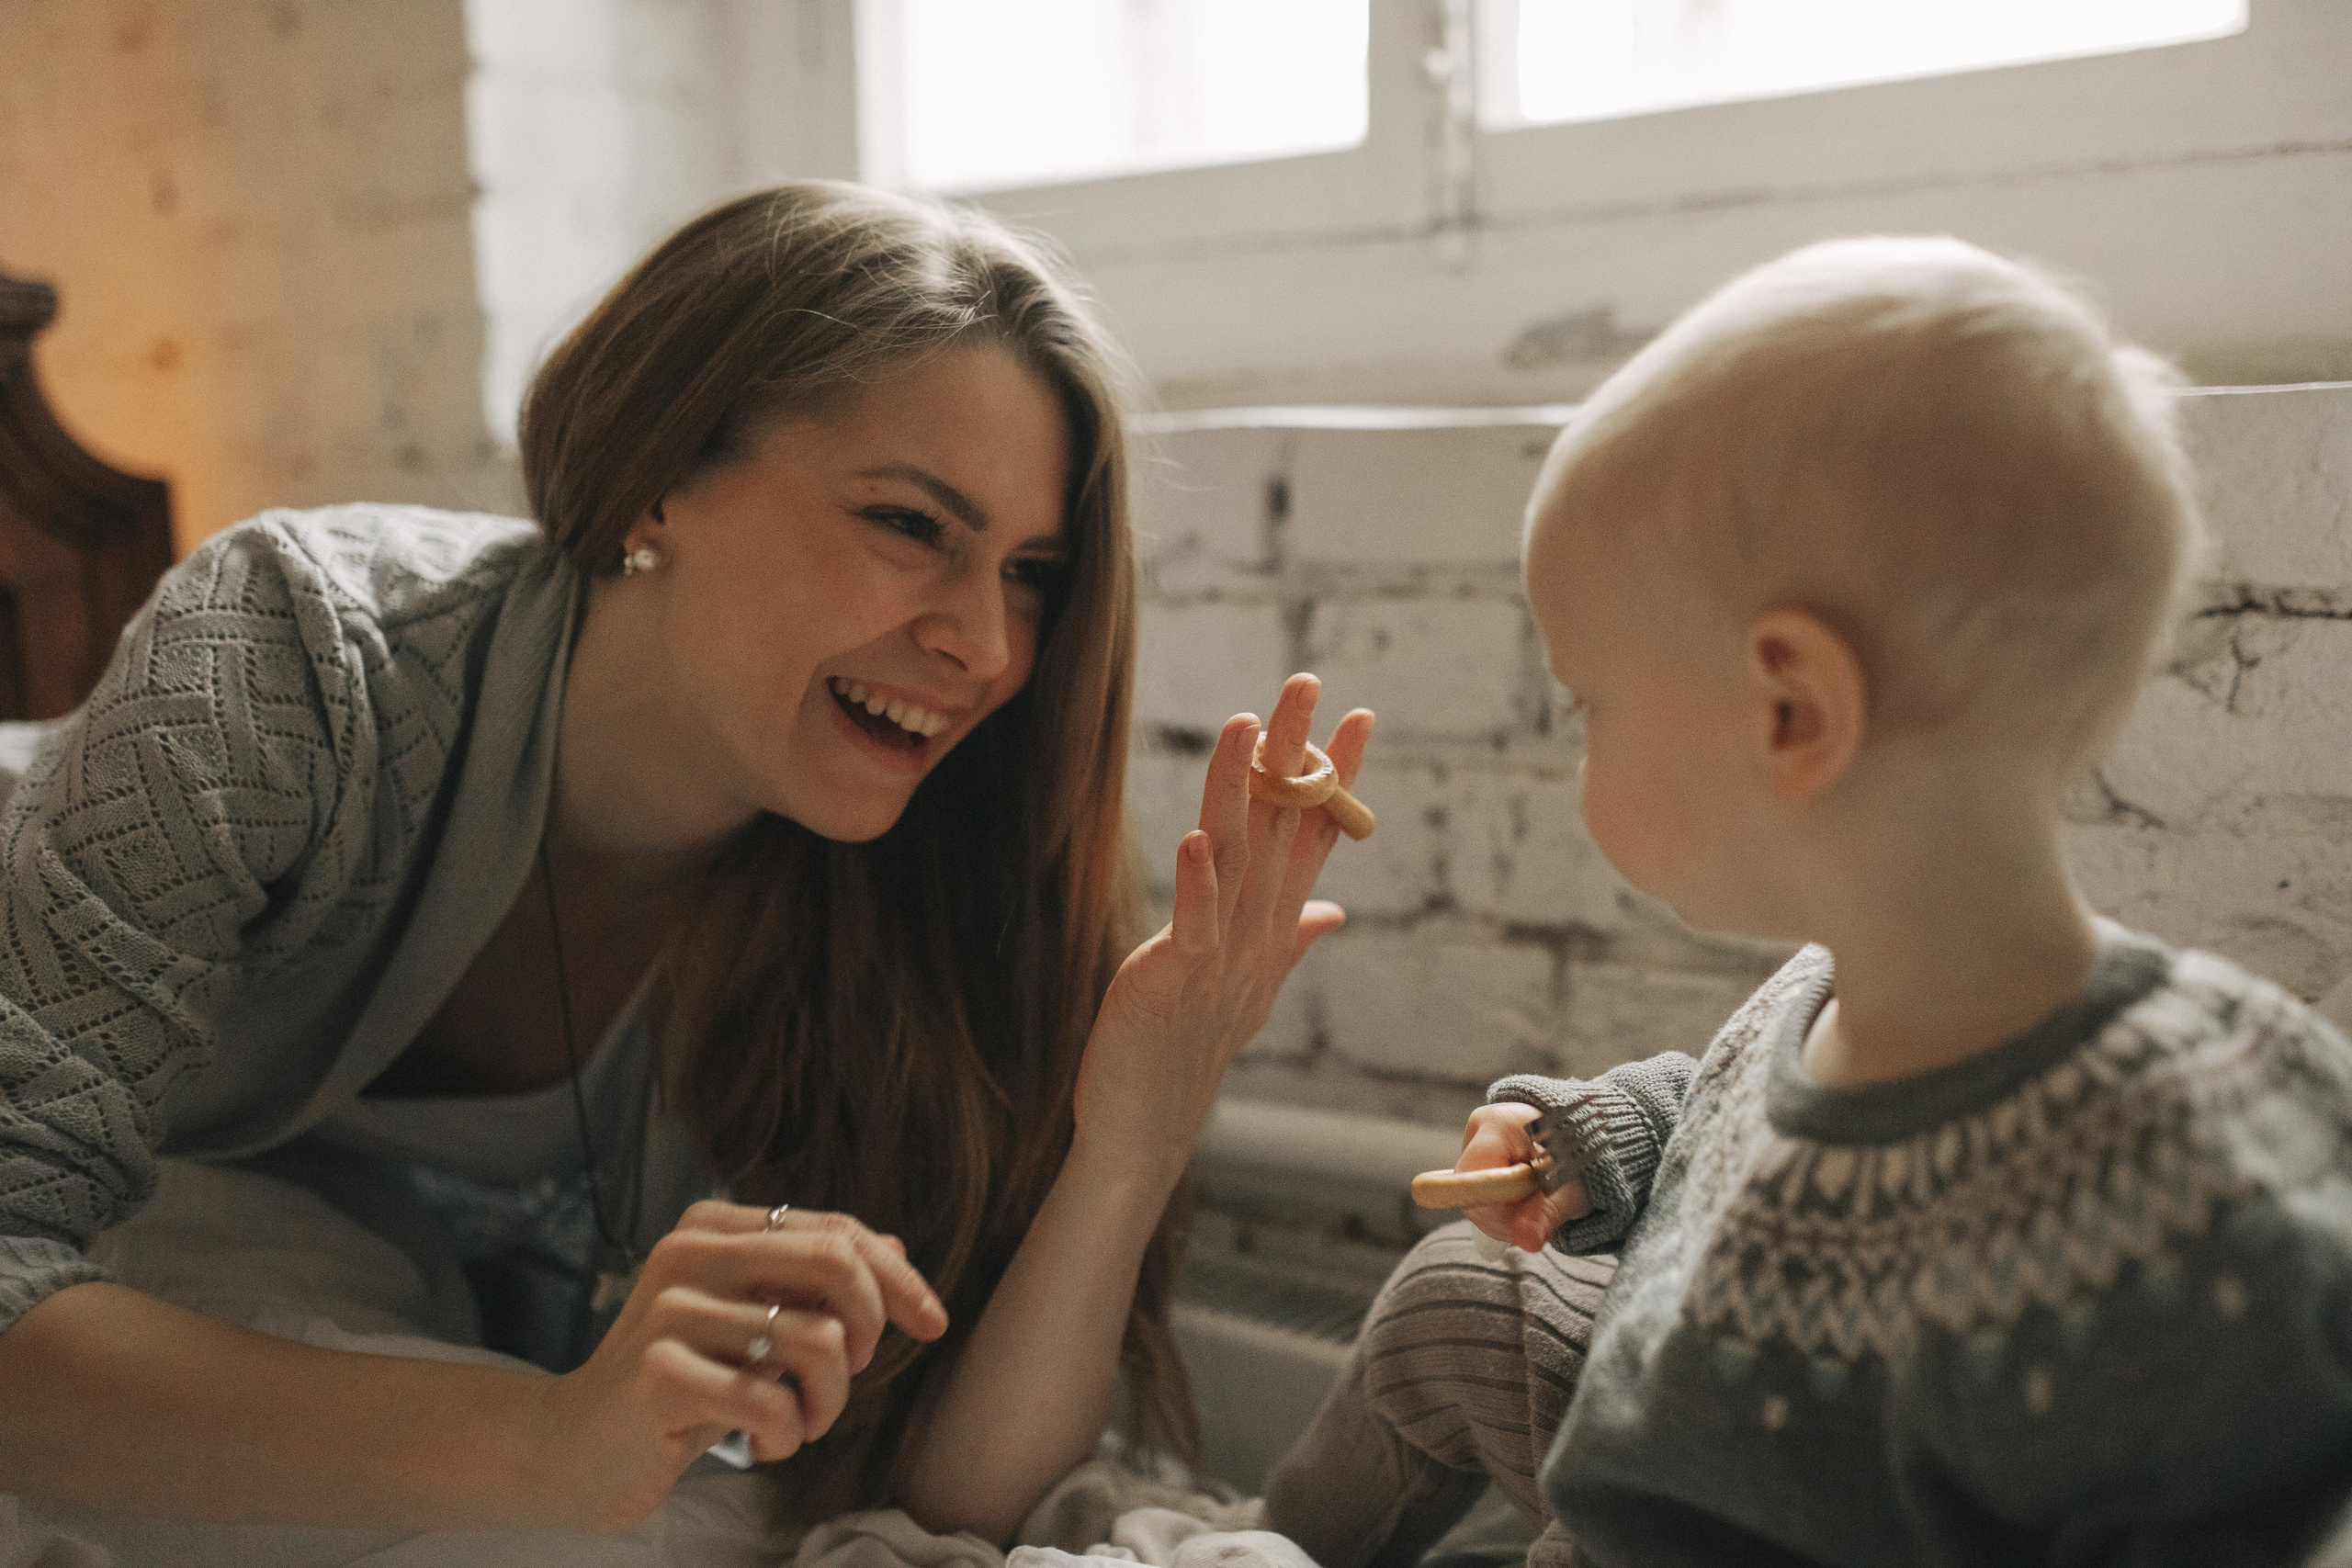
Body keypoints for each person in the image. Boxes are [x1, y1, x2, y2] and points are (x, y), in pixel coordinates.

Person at [0, 181, 1374, 1546]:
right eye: (910, 525)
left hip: (348, 1276)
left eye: (1031, 570)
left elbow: (952, 1498)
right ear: (660, 474)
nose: (989, 647)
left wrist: (1131, 1141)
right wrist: (544, 1441)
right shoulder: (291, 657)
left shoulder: (907, 866)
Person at [1265, 236, 2352, 1567]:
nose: (1578, 745)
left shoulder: (2170, 1212)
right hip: (1665, 1446)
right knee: (1462, 1296)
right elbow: (1747, 1131)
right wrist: (1598, 1138)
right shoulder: (1840, 989)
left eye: (1592, 703)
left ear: (1791, 712)